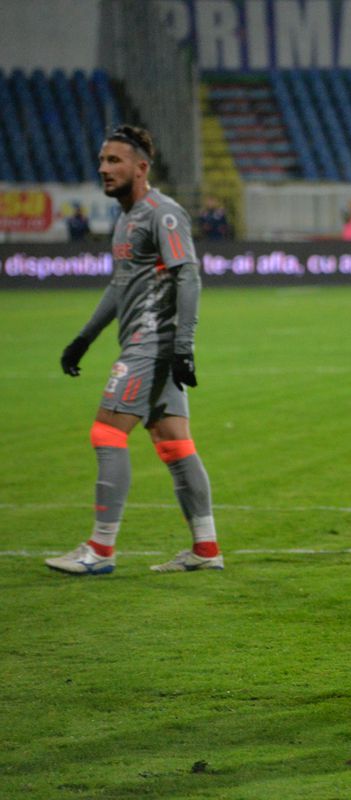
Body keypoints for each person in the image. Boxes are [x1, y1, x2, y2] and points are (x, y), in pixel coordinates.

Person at [48, 124, 223, 576]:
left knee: (107, 431)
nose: (104, 169)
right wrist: (84, 338)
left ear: (141, 168)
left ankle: (99, 551)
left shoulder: (163, 214)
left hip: (153, 342)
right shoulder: (125, 219)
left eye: (115, 161)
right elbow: (118, 285)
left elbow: (189, 275)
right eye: (103, 161)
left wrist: (183, 346)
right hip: (145, 342)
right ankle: (206, 549)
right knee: (174, 444)